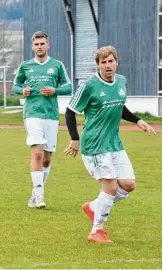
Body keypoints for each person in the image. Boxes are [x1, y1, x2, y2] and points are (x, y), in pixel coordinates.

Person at [64, 45, 156, 243]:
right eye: (103, 62)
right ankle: (96, 230)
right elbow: (70, 110)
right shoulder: (89, 86)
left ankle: (94, 207)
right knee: (111, 187)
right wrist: (74, 138)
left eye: (110, 61)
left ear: (116, 62)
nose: (107, 65)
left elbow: (119, 106)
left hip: (114, 143)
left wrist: (138, 120)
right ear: (98, 65)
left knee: (129, 185)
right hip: (95, 145)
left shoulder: (121, 81)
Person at [12, 31, 72, 209]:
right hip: (32, 114)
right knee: (36, 154)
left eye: (42, 43)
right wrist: (22, 91)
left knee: (46, 159)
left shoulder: (57, 65)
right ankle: (39, 197)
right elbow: (15, 86)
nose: (39, 47)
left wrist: (55, 91)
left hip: (51, 116)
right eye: (36, 44)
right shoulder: (26, 66)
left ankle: (34, 194)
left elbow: (68, 87)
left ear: (48, 45)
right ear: (32, 46)